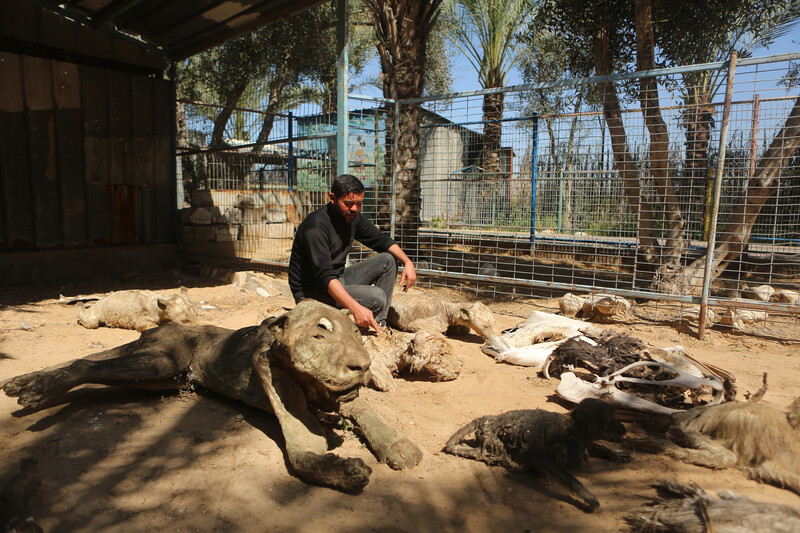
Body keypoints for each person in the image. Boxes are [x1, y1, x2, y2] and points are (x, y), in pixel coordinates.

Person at [288, 174, 416, 334]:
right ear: (333, 198)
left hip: (337, 279)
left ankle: (378, 324)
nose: (354, 208)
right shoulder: (316, 228)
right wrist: (355, 307)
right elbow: (325, 276)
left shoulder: (352, 217)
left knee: (388, 260)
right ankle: (367, 323)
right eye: (348, 203)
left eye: (359, 204)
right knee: (377, 297)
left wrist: (407, 262)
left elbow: (380, 240)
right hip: (313, 292)